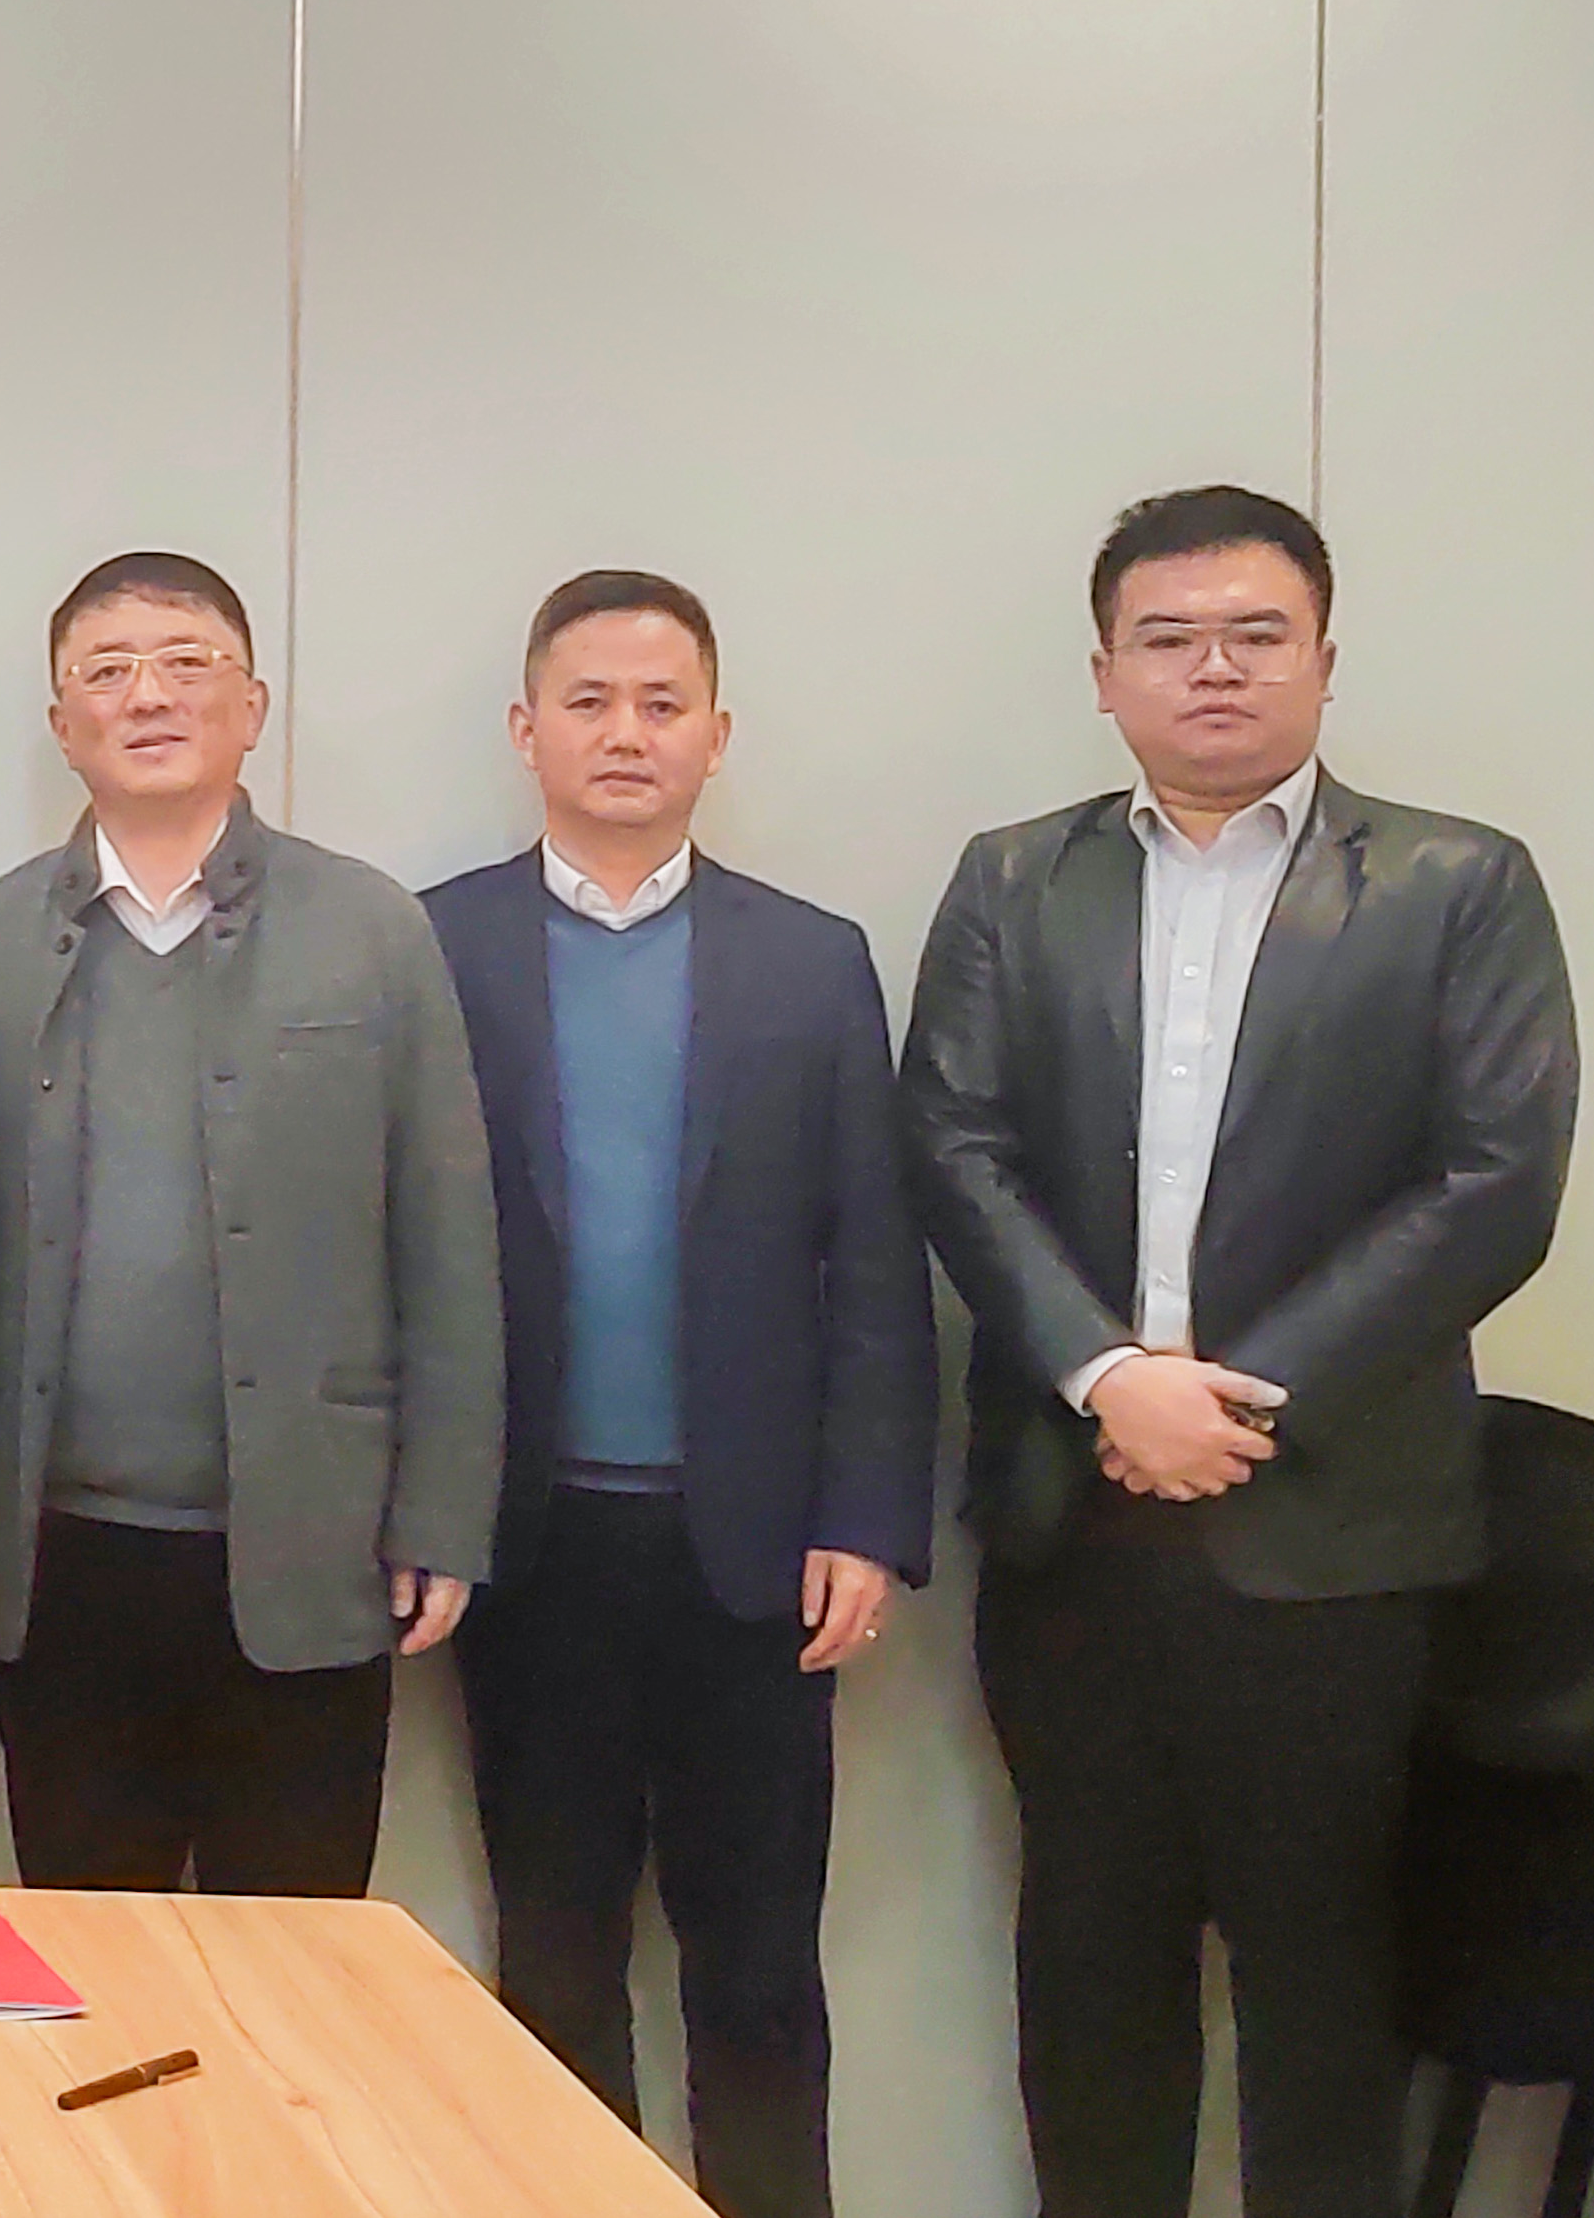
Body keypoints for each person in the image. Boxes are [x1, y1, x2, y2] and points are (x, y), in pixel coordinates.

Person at [903, 486, 1575, 2218]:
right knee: (1087, 1965)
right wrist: (1106, 1377)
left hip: (1331, 1536)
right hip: (1073, 1522)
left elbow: (1493, 1184)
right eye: (1168, 637)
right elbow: (950, 1145)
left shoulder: (1457, 883)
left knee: (1322, 1978)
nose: (1212, 666)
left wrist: (1235, 1398)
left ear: (1323, 659)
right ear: (1103, 673)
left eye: (1254, 633)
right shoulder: (1011, 879)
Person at [422, 570, 935, 2218]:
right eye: (587, 701)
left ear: (717, 734)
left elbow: (871, 1256)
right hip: (526, 1540)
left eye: (660, 703)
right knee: (551, 1956)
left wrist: (866, 1515)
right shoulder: (434, 946)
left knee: (758, 1968)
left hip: (755, 1552)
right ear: (524, 731)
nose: (624, 733)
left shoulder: (810, 961)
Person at [0, 550, 501, 1897]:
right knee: (90, 1958)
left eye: (185, 663)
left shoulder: (370, 931)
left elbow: (447, 1239)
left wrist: (443, 1511)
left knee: (291, 1969)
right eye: (106, 672)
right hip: (59, 1549)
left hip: (310, 1541)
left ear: (252, 707)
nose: (148, 695)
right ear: (62, 726)